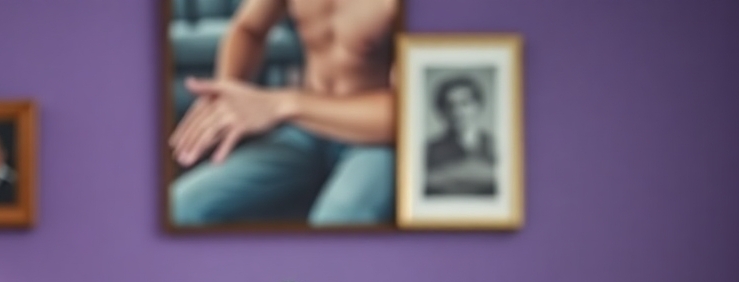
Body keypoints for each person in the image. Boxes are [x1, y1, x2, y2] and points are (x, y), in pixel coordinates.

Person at [169, 0, 398, 227]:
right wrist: (227, 100)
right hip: (305, 131)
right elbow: (248, 29)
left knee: (335, 225)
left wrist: (283, 104)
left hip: (374, 139)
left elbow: (414, 109)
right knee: (180, 206)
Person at [424, 75, 497, 197]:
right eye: (450, 105)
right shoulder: (429, 150)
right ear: (442, 111)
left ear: (477, 106)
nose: (457, 112)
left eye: (465, 103)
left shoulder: (495, 145)